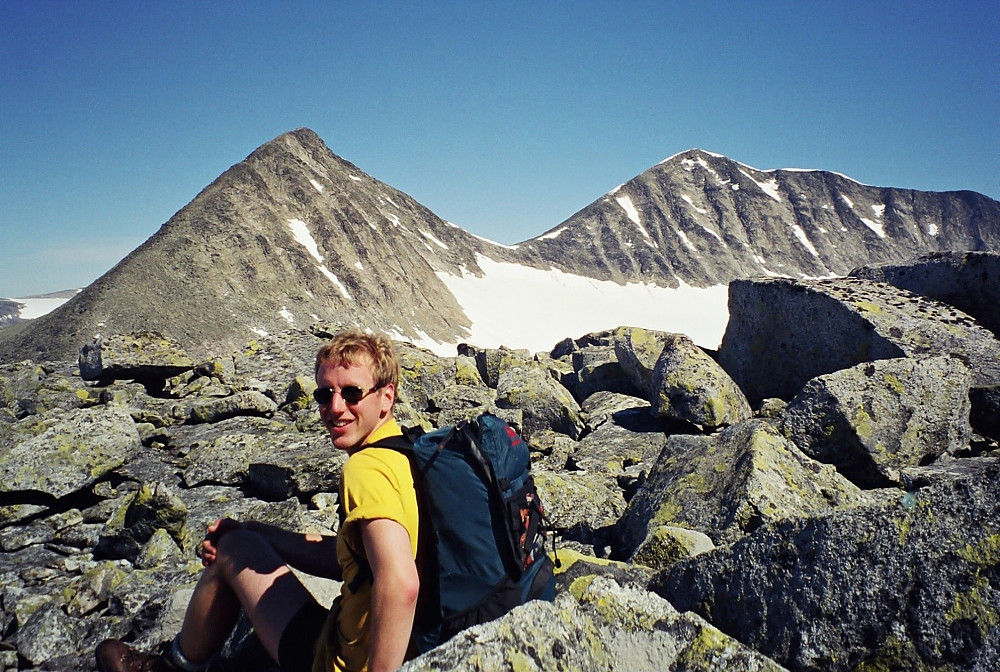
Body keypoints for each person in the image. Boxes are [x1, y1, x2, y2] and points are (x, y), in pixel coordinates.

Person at [96, 330, 420, 672]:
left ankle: (169, 668)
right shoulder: (405, 452)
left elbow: (401, 583)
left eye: (352, 393)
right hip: (404, 643)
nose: (335, 407)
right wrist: (256, 534)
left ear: (386, 397)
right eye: (325, 394)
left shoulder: (365, 471)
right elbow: (353, 556)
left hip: (335, 662)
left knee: (228, 552)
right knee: (238, 542)